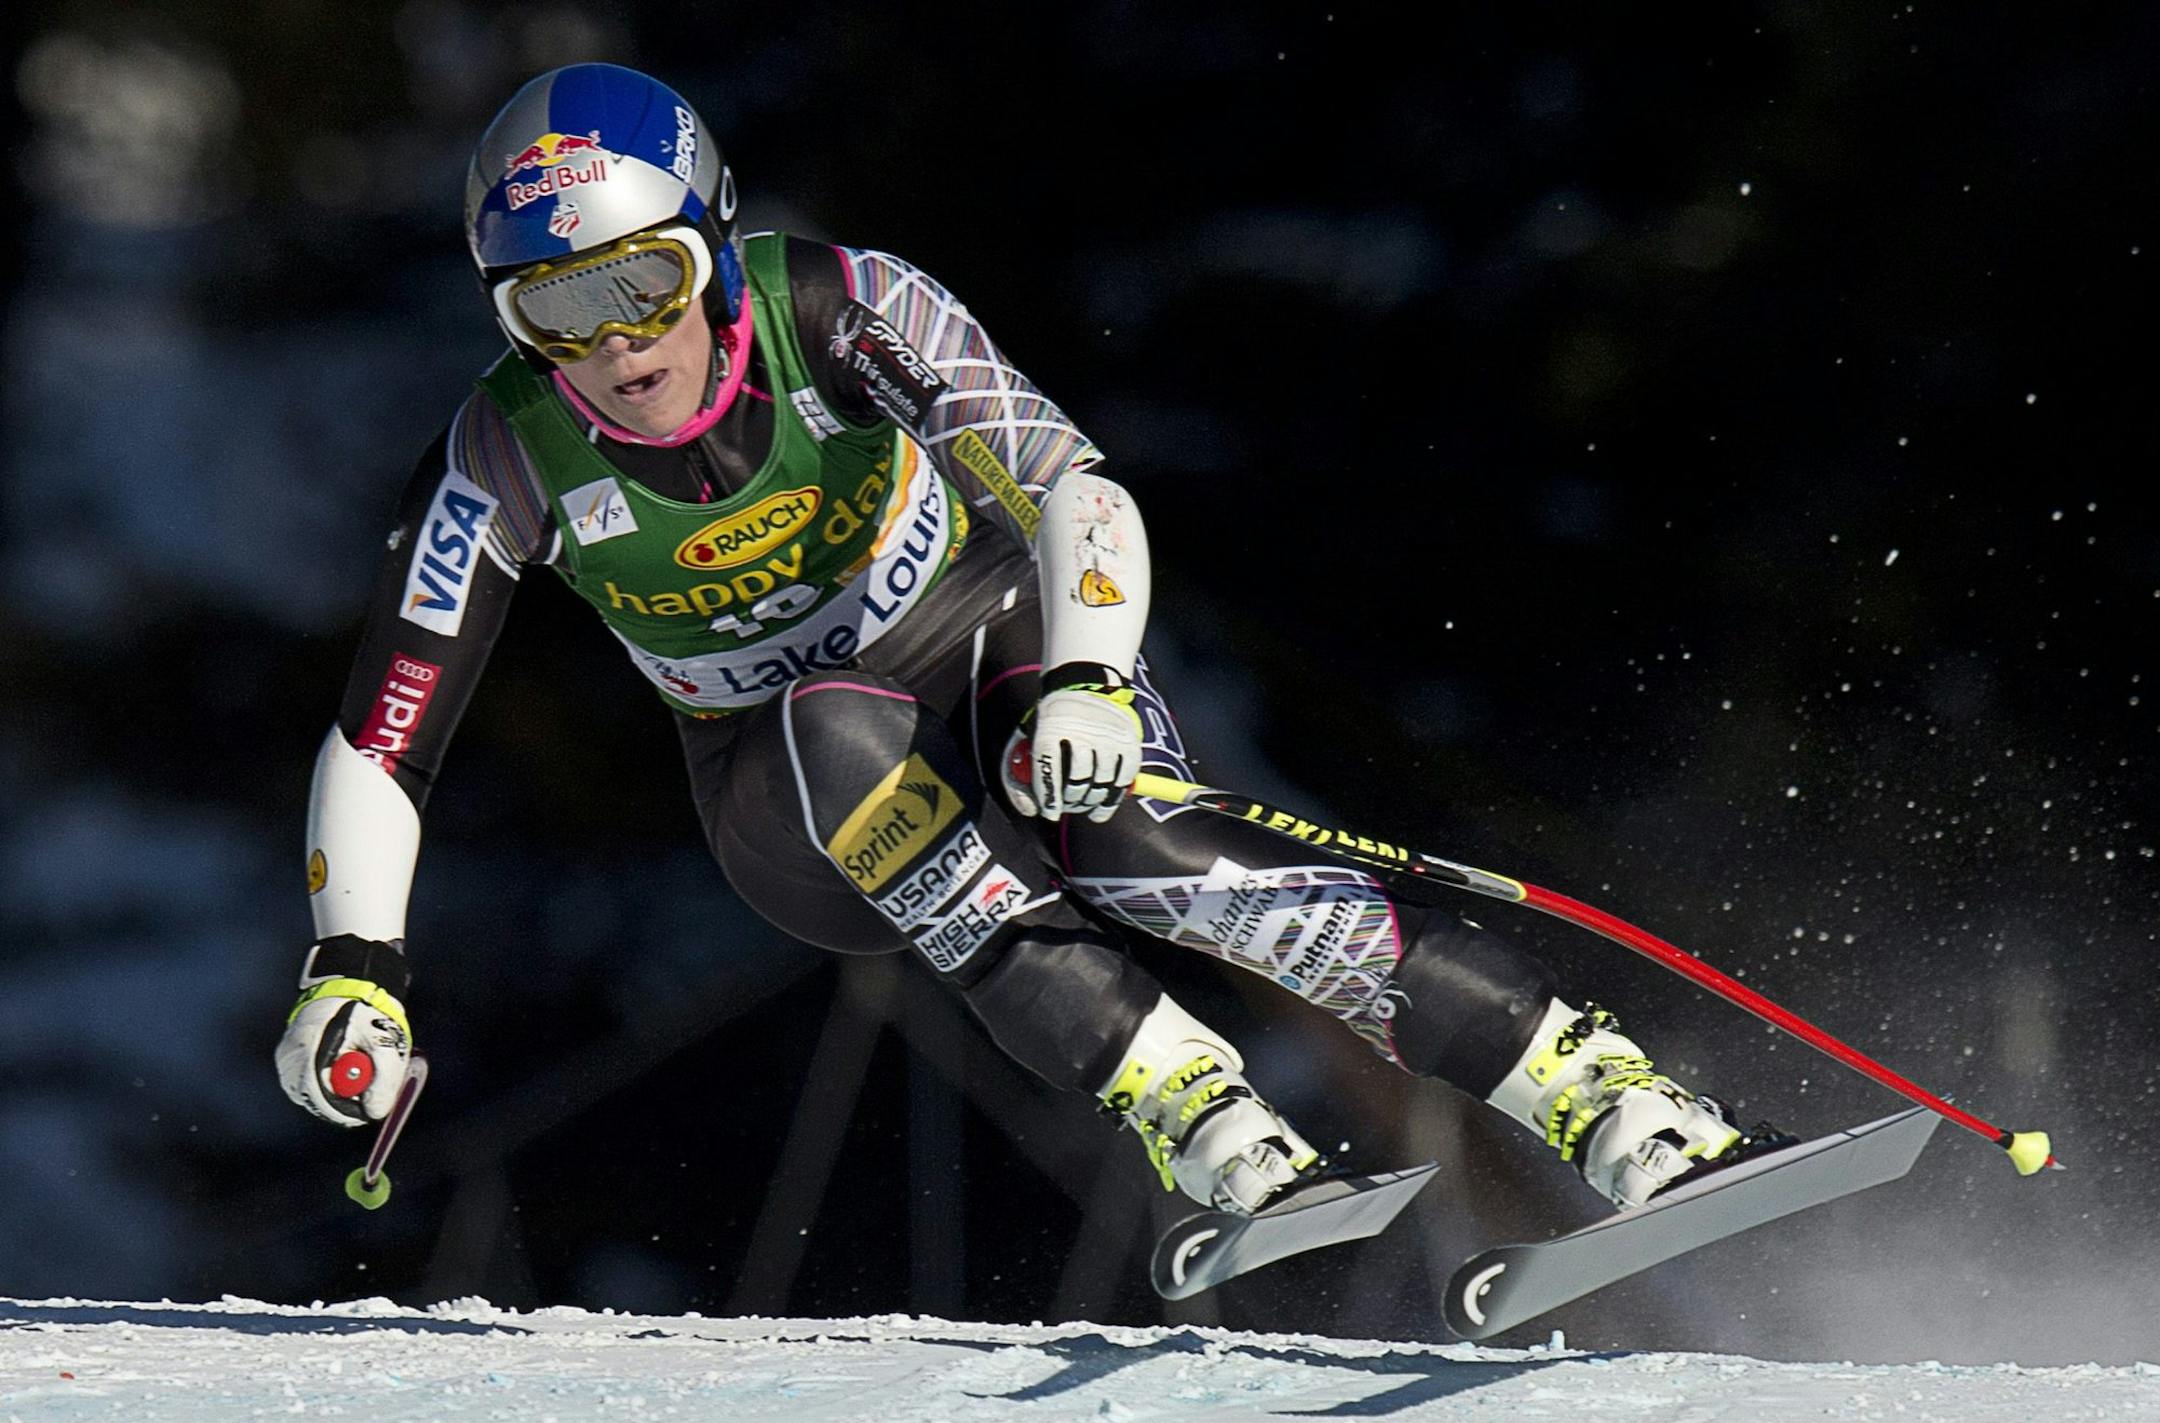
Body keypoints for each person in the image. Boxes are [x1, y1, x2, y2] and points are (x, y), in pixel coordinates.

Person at [277, 62, 1783, 1223]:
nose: (614, 346)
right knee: (831, 733)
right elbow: (385, 741)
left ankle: (1602, 1095)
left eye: (641, 282)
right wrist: (356, 965)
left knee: (1135, 842)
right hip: (786, 787)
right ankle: (1188, 1105)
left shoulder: (850, 308)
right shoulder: (507, 455)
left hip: (991, 633)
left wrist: (1092, 679)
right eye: (552, 310)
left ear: (716, 245)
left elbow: (1072, 488)